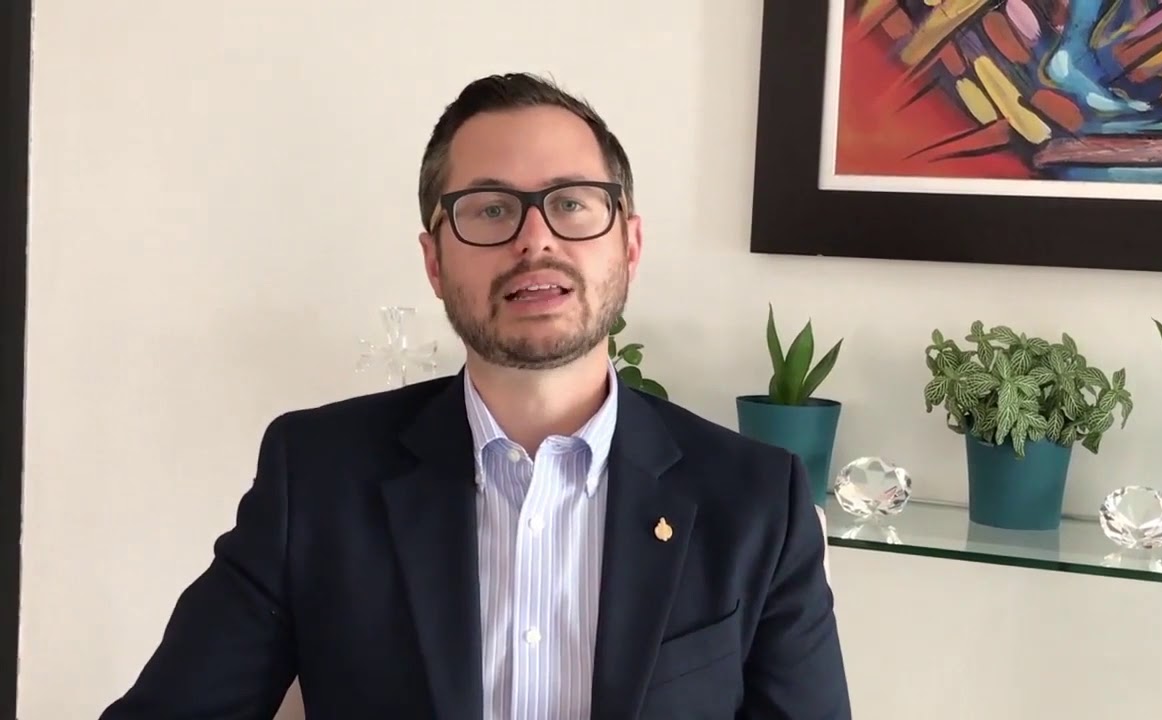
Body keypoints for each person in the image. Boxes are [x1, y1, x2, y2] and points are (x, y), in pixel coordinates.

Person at [100, 72, 851, 719]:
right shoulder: (317, 476)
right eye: (490, 209)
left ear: (629, 242)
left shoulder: (755, 502)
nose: (535, 240)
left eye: (572, 203)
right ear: (433, 261)